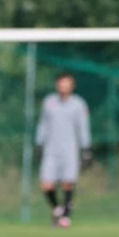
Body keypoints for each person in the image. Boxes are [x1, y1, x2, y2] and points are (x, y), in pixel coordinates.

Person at [36, 72, 91, 228]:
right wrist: (39, 143)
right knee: (46, 184)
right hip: (50, 149)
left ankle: (66, 216)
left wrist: (86, 148)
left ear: (72, 86)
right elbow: (43, 124)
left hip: (70, 149)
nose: (64, 86)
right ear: (57, 85)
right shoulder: (49, 102)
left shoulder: (79, 104)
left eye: (67, 83)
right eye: (61, 83)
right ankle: (58, 209)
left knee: (68, 183)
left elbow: (83, 128)